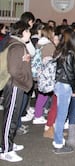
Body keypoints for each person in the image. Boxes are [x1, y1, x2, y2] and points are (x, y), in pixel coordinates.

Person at [0, 21, 32, 163]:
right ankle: (6, 149)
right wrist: (25, 81)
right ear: (22, 32)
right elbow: (14, 70)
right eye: (28, 31)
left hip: (15, 85)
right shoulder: (18, 46)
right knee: (10, 118)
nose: (30, 33)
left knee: (11, 116)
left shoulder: (15, 44)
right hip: (15, 85)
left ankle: (8, 143)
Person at [53, 31, 75, 154]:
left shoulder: (66, 50)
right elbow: (70, 73)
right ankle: (58, 143)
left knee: (61, 114)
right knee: (61, 116)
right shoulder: (70, 53)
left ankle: (59, 140)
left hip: (62, 84)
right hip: (64, 85)